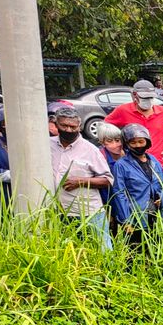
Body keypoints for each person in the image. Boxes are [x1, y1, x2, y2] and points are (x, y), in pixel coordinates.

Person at [50, 107, 114, 249]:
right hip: (59, 211)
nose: (68, 130)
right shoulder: (47, 145)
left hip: (88, 211)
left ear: (79, 127)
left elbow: (107, 179)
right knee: (69, 251)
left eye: (73, 127)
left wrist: (80, 181)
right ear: (56, 125)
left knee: (103, 250)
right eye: (64, 126)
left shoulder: (90, 150)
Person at [111, 123, 163, 243]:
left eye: (141, 141)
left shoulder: (153, 160)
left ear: (147, 142)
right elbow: (119, 193)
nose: (138, 145)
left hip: (156, 215)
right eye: (133, 142)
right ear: (127, 144)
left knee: (158, 247)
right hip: (136, 217)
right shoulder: (121, 165)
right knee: (137, 251)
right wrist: (126, 220)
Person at [104, 79, 163, 173]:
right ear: (134, 95)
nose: (148, 101)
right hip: (134, 168)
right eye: (144, 98)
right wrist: (118, 147)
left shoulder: (162, 112)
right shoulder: (123, 110)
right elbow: (105, 127)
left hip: (161, 165)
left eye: (150, 98)